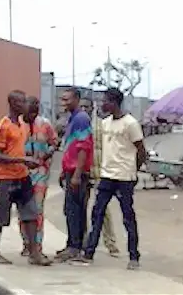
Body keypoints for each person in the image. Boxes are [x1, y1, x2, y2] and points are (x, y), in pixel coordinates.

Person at [75, 88, 148, 270]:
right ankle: (89, 253)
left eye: (105, 101)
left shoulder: (130, 123)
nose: (102, 104)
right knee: (97, 213)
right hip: (107, 175)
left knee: (127, 217)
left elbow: (141, 150)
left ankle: (134, 256)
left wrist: (133, 170)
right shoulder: (105, 123)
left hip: (124, 177)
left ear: (114, 102)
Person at [0, 90, 51, 266]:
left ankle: (34, 253)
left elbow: (18, 149)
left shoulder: (22, 125)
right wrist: (22, 160)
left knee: (30, 214)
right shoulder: (3, 126)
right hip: (6, 178)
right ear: (14, 104)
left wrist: (28, 160)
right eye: (23, 102)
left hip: (22, 176)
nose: (26, 105)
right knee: (2, 216)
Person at [55, 88, 94, 262]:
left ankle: (75, 247)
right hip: (71, 171)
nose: (63, 103)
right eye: (62, 99)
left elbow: (83, 148)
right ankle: (73, 243)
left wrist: (77, 174)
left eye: (67, 99)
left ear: (76, 99)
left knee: (74, 210)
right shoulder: (72, 119)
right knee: (71, 209)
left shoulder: (81, 119)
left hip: (78, 173)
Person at [80, 97, 120, 257]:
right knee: (80, 208)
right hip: (82, 172)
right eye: (81, 106)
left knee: (103, 210)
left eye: (87, 106)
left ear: (93, 108)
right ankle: (82, 242)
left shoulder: (101, 125)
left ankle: (111, 243)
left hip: (99, 172)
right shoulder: (78, 124)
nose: (84, 110)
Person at [19, 96, 58, 257]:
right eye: (30, 111)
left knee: (37, 209)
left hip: (41, 172)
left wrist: (48, 153)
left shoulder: (45, 125)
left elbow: (54, 143)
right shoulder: (17, 126)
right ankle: (27, 243)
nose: (33, 114)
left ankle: (37, 244)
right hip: (21, 173)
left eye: (36, 111)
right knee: (23, 210)